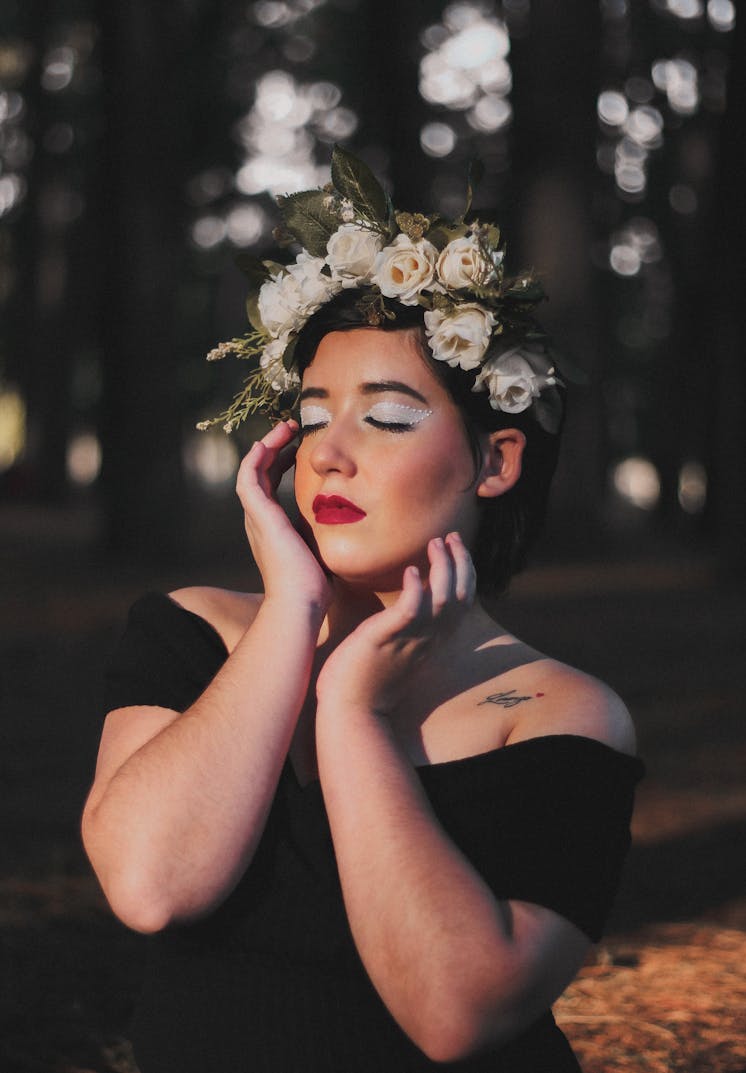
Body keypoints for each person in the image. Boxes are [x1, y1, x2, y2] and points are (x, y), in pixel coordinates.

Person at [82, 148, 643, 1073]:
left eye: (385, 417)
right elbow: (150, 883)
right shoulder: (193, 631)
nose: (330, 453)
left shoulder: (559, 712)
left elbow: (454, 1011)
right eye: (310, 417)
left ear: (495, 461)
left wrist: (352, 715)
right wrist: (291, 612)